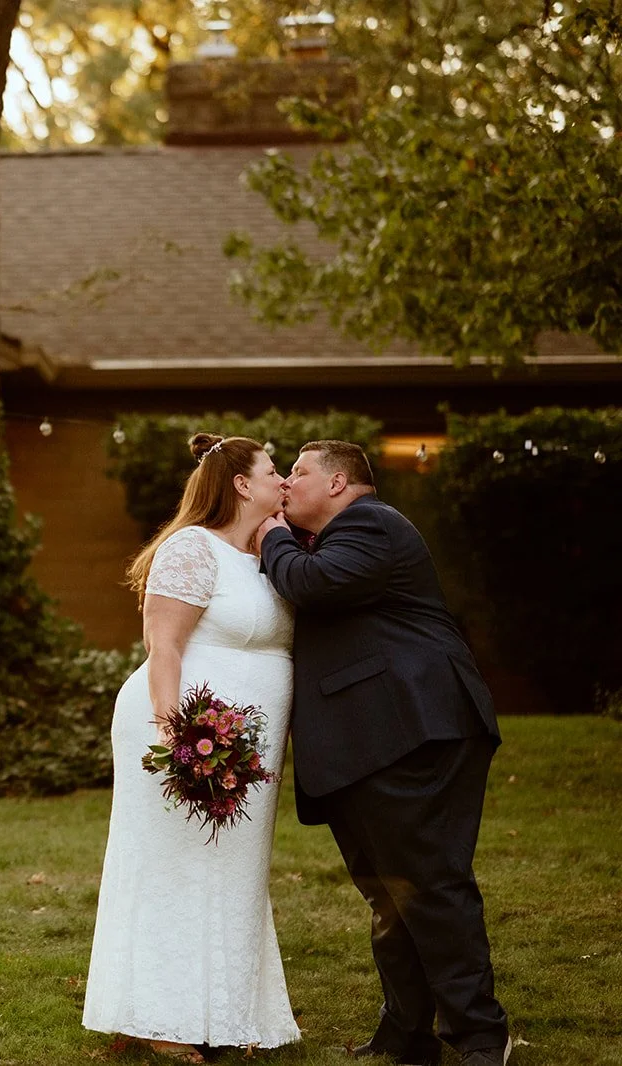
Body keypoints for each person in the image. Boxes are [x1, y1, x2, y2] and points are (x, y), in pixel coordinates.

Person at [257, 440, 511, 1066]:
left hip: (413, 727)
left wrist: (269, 536)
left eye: (298, 473)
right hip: (367, 741)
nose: (286, 485)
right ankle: (407, 1032)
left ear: (340, 484)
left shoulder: (369, 523)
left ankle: (481, 1033)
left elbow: (313, 585)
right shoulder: (334, 535)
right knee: (389, 892)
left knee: (428, 883)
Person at [83, 433, 301, 1062]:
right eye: (272, 471)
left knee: (235, 872)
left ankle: (229, 1011)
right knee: (174, 867)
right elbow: (166, 646)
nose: (282, 481)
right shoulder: (191, 548)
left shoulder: (267, 554)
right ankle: (160, 1018)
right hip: (186, 731)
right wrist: (174, 735)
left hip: (249, 748)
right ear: (240, 484)